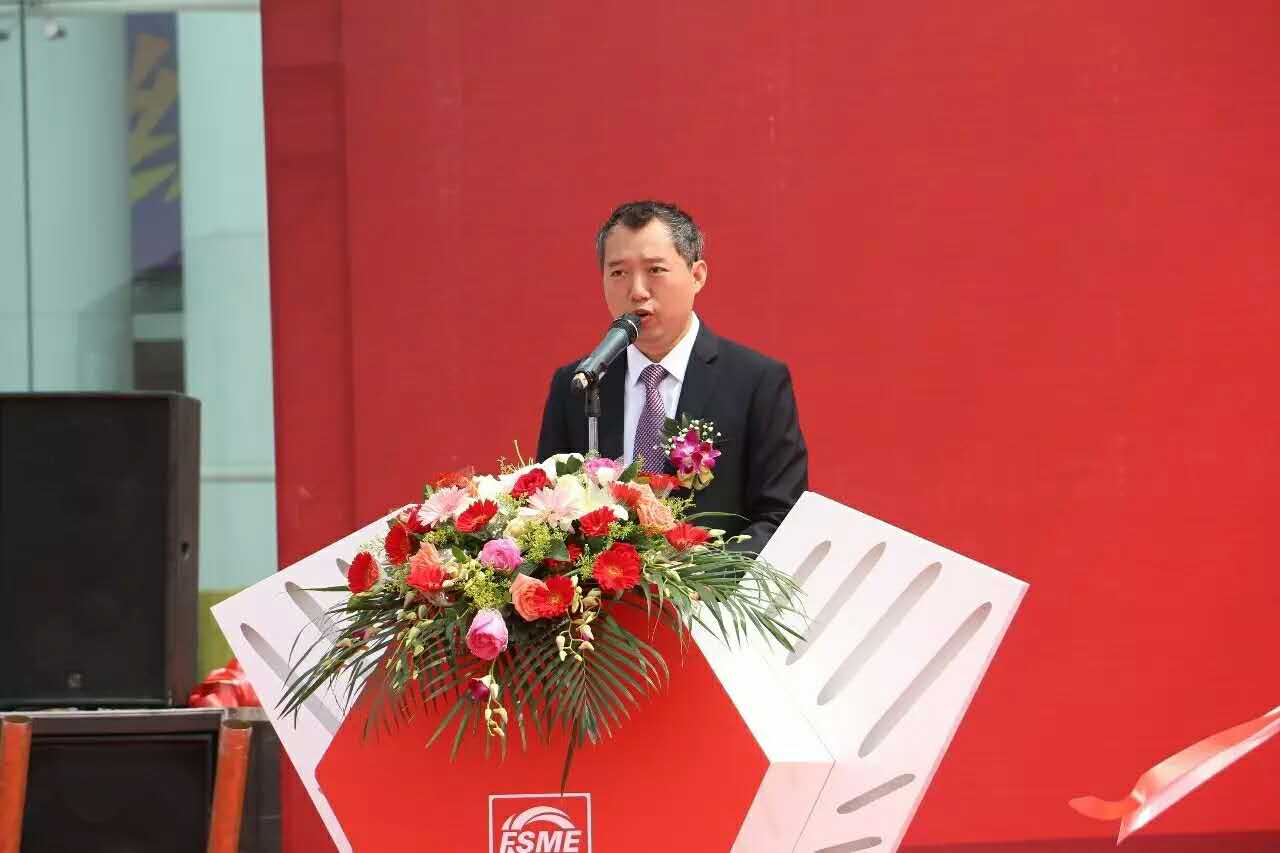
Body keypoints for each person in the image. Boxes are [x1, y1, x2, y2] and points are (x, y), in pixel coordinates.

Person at [536, 200, 808, 553]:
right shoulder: (579, 383)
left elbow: (781, 517)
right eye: (618, 273)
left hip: (717, 586)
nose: (637, 290)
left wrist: (703, 576)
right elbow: (548, 507)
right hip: (604, 587)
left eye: (655, 270)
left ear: (697, 276)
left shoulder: (756, 382)